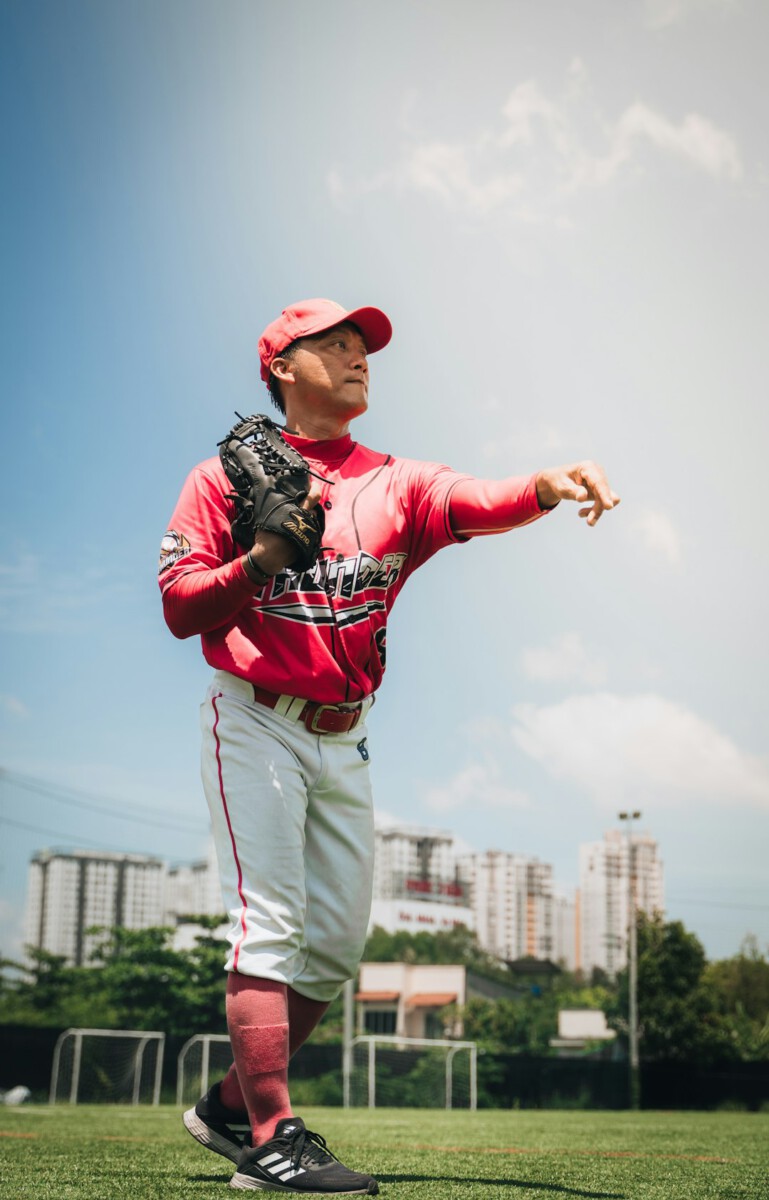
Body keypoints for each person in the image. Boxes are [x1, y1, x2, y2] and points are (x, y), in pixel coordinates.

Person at [159, 297, 619, 1195]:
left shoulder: (395, 479)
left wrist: (543, 485)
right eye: (333, 344)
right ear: (282, 367)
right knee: (272, 927)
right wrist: (258, 561)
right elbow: (179, 608)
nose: (358, 355)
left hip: (346, 733)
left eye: (362, 344)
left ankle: (223, 1104)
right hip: (253, 718)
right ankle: (270, 1138)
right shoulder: (217, 480)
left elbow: (470, 501)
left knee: (332, 949)